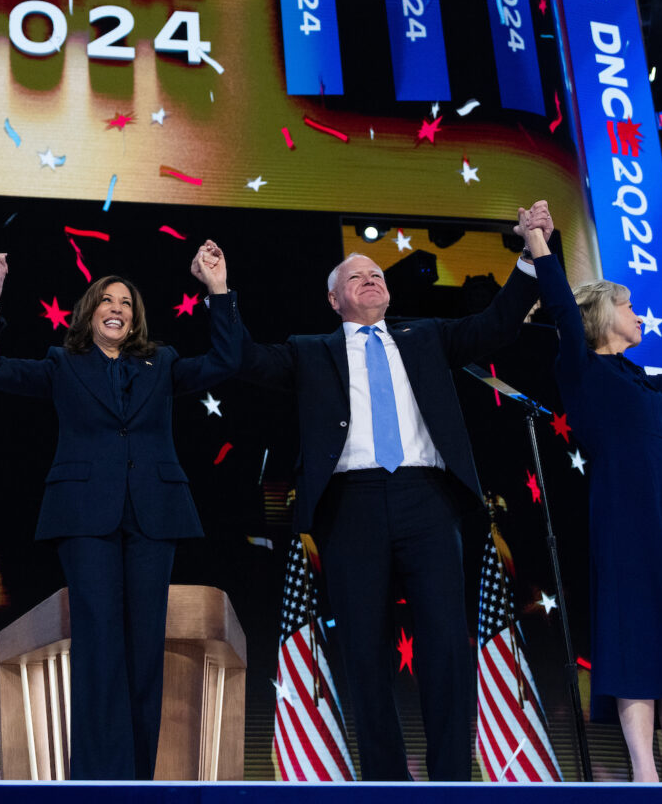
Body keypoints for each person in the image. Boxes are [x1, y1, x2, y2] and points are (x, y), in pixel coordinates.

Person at [237, 202, 555, 781]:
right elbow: (244, 359)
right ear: (334, 300)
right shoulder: (311, 351)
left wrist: (534, 251)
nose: (372, 278)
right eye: (356, 276)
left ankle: (454, 780)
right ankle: (386, 784)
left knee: (445, 648)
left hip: (428, 501)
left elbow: (497, 324)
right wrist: (217, 295)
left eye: (377, 273)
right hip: (351, 504)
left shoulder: (426, 335)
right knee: (363, 649)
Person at [0, 244, 240, 779]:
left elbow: (228, 360)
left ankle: (138, 777)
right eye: (107, 300)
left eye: (127, 303)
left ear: (135, 317)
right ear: (90, 311)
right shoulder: (61, 364)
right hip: (85, 518)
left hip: (153, 516)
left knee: (144, 649)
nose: (118, 308)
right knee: (98, 642)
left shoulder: (161, 363)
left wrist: (219, 290)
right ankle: (96, 777)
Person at [520, 213, 662, 782]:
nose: (635, 314)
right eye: (626, 306)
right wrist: (537, 243)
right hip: (624, 516)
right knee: (636, 636)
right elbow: (559, 310)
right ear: (603, 317)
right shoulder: (579, 368)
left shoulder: (639, 377)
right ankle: (644, 776)